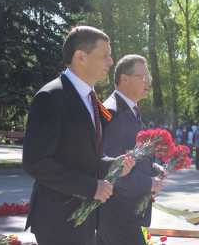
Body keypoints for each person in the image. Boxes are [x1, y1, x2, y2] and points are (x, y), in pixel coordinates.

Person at [22, 26, 135, 245]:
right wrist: (91, 187)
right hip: (58, 221)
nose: (111, 62)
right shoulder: (51, 96)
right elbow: (35, 162)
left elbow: (84, 157)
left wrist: (113, 165)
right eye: (104, 56)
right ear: (80, 57)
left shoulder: (91, 98)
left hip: (84, 219)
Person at [97, 54, 165, 245]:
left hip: (130, 216)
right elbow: (112, 170)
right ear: (124, 79)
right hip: (119, 216)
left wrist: (154, 169)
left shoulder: (131, 109)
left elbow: (132, 156)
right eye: (142, 77)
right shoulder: (112, 112)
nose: (148, 82)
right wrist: (149, 184)